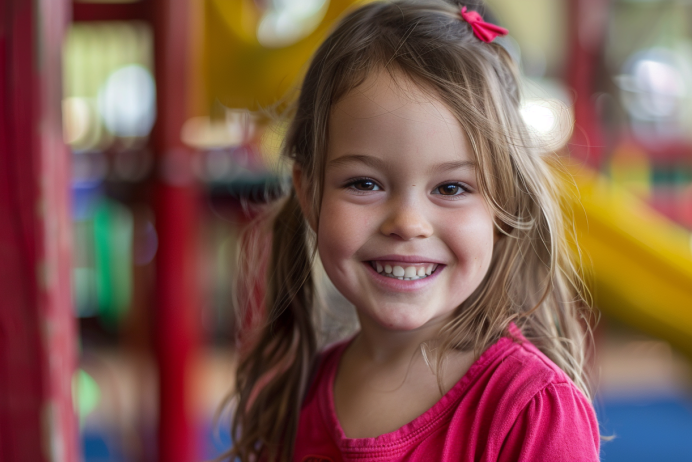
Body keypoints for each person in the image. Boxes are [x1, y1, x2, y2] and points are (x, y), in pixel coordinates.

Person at [222, 1, 600, 461]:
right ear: (309, 193)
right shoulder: (295, 398)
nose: (407, 222)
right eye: (364, 183)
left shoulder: (531, 411)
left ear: (505, 207)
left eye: (451, 187)